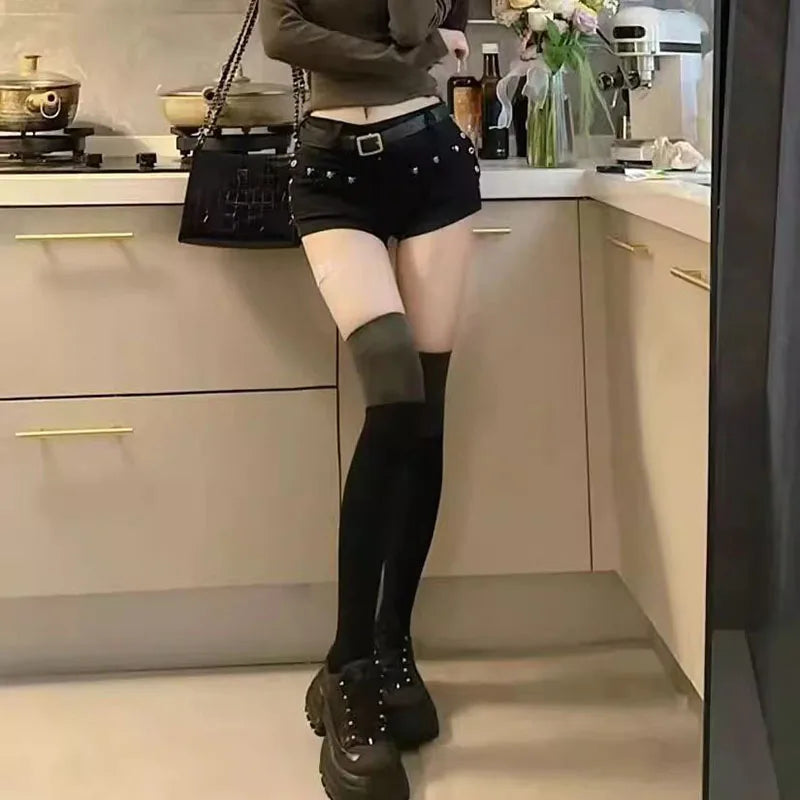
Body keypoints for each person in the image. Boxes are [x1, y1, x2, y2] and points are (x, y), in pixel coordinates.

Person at [261, 3, 478, 798]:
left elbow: (425, 23)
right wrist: (404, 61)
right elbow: (282, 35)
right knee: (393, 395)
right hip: (333, 175)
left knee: (424, 415)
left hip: (433, 165)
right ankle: (347, 668)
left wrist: (413, 48)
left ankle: (392, 646)